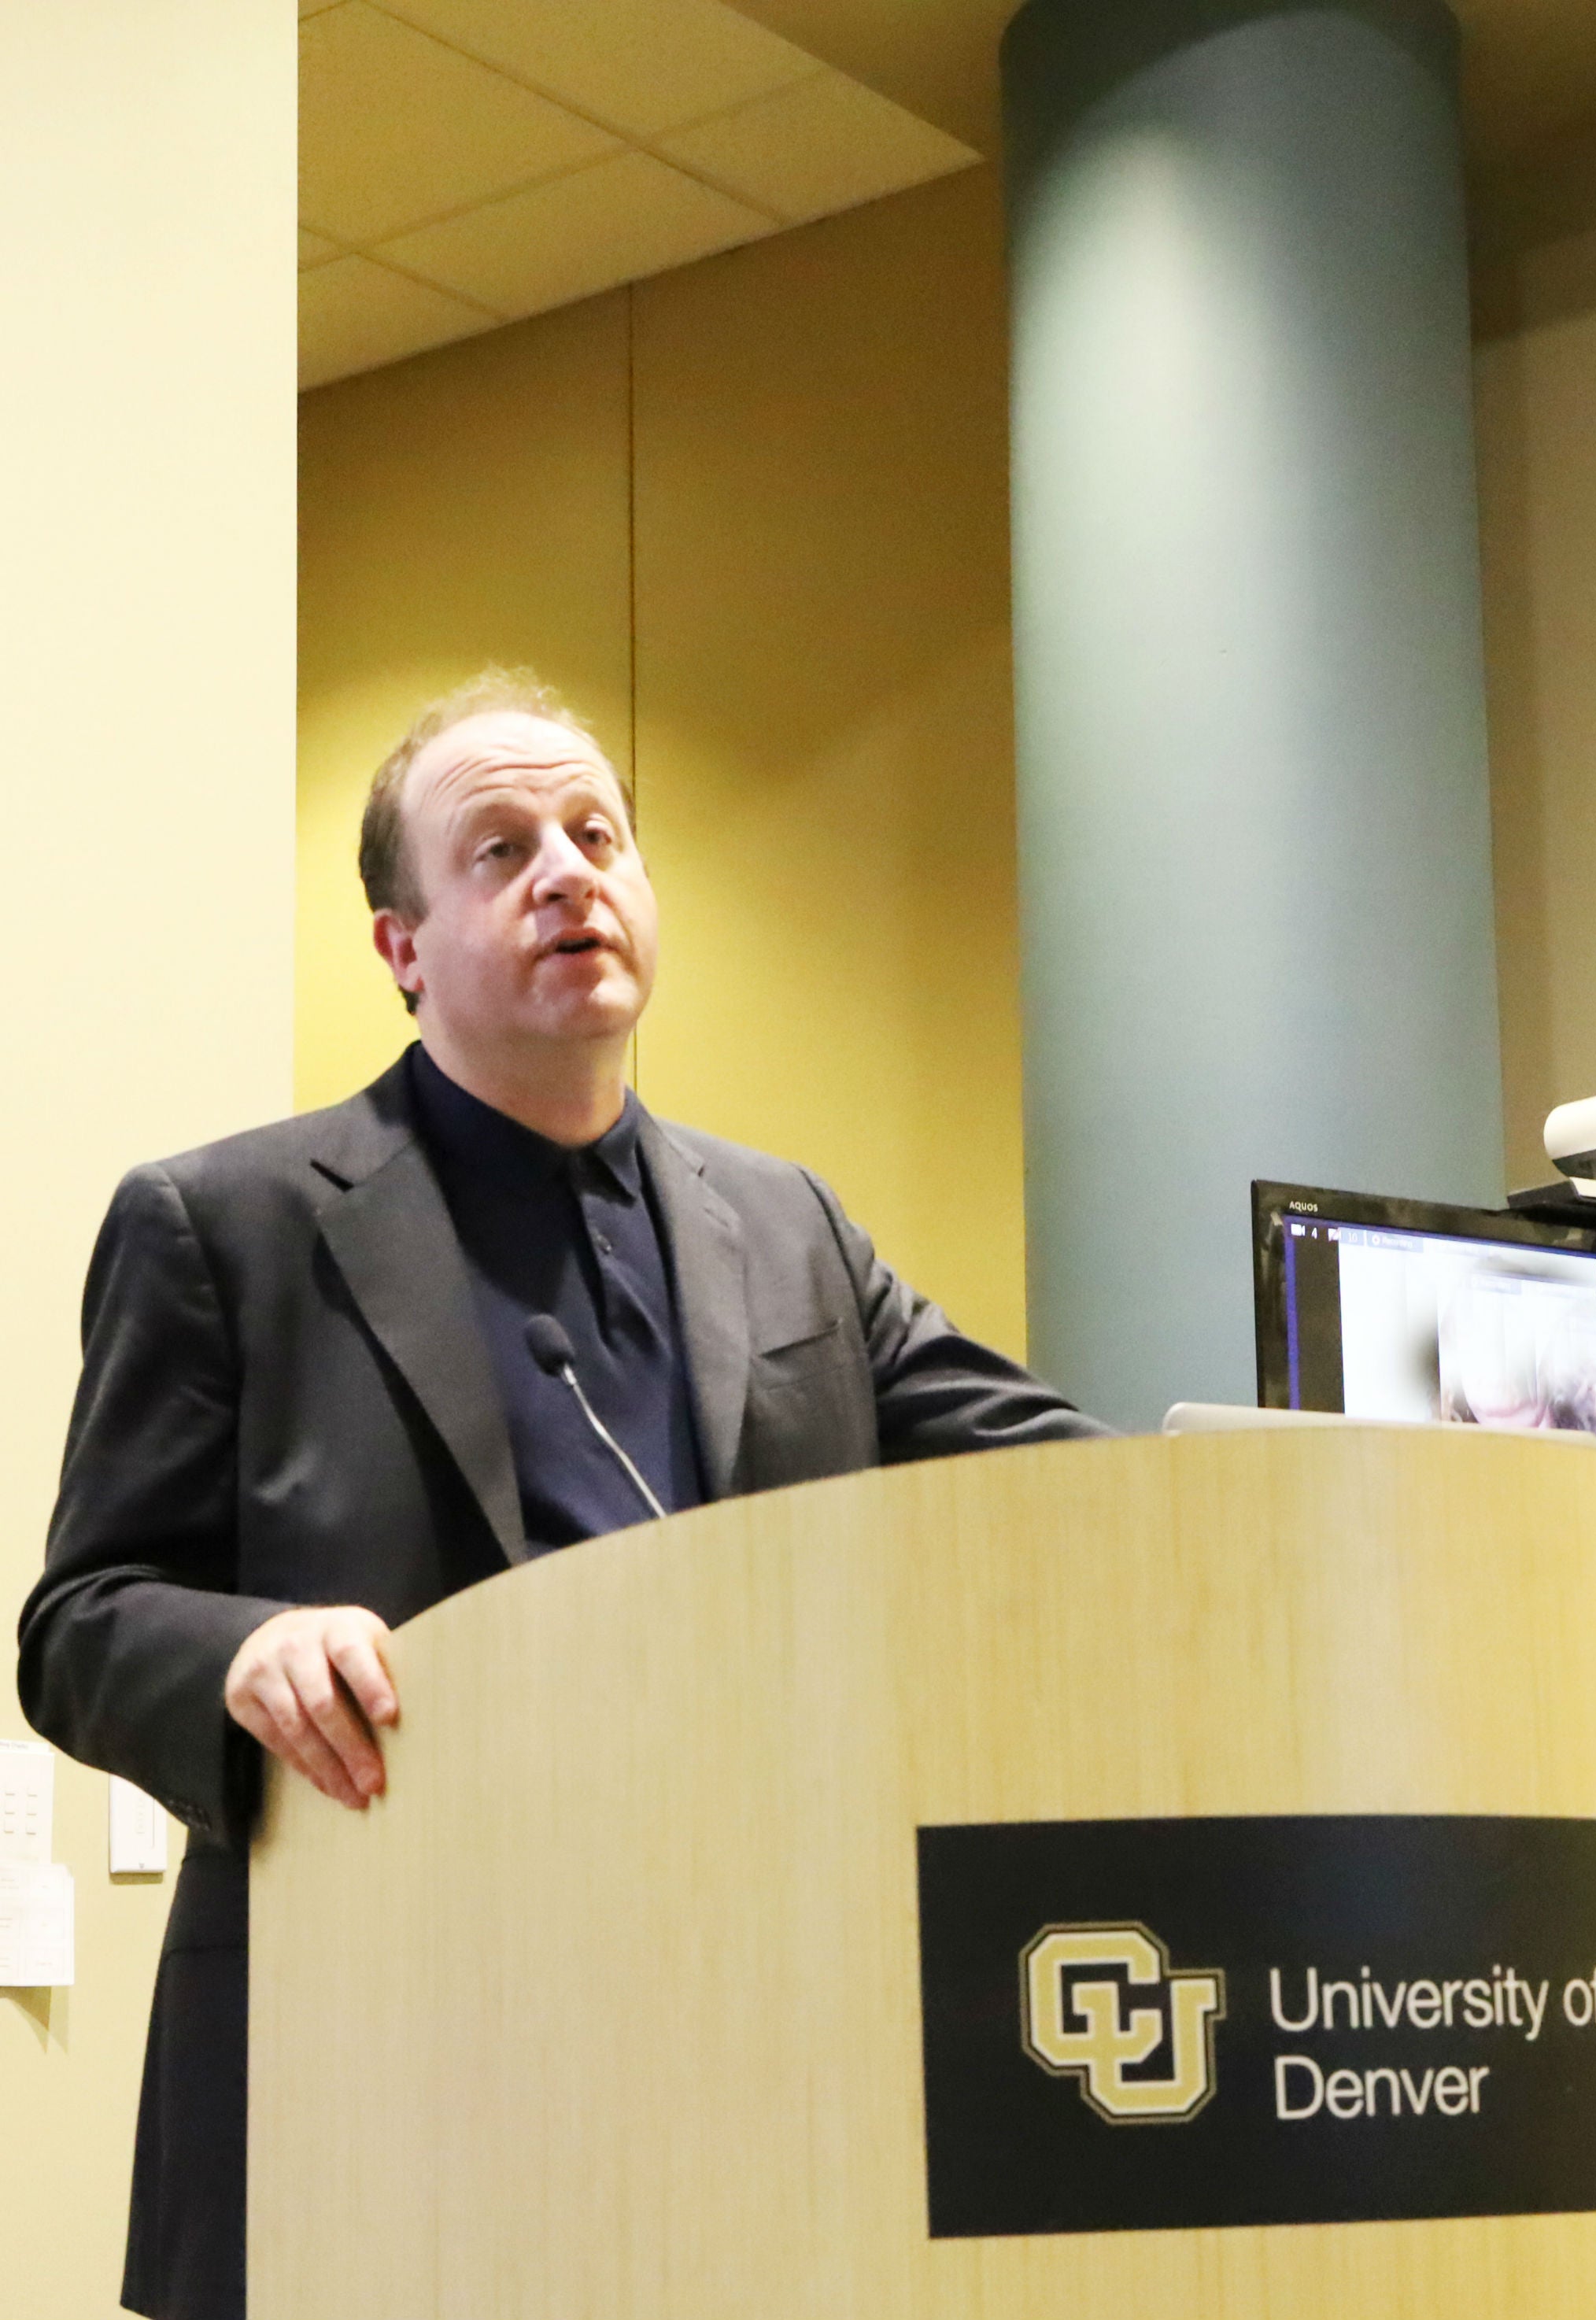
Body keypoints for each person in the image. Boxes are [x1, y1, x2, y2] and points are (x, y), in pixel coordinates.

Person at [14, 670, 1108, 2320]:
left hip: (743, 2065)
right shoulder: (223, 1224)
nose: (568, 872)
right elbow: (79, 1623)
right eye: (502, 847)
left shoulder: (788, 1224)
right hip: (365, 2061)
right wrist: (239, 1653)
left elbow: (1045, 1470)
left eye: (597, 834)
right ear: (402, 947)